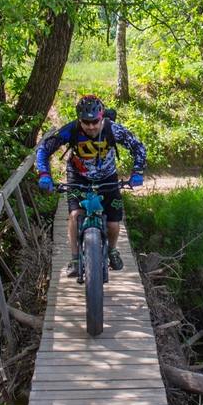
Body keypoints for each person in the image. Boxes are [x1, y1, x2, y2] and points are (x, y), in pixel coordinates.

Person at [36, 95, 146, 277]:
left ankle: (111, 250)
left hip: (108, 177)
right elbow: (44, 149)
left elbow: (138, 146)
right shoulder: (71, 130)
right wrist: (45, 174)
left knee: (112, 224)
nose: (91, 126)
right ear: (80, 120)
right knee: (74, 215)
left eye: (95, 121)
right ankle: (75, 259)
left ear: (102, 117)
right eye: (86, 122)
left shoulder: (113, 129)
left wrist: (137, 172)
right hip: (78, 177)